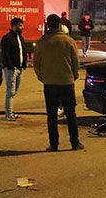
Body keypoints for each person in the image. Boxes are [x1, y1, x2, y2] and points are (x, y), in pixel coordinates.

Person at [34, 14, 84, 152]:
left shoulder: (42, 42)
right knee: (71, 114)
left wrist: (42, 77)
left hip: (49, 83)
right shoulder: (69, 41)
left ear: (48, 25)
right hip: (66, 82)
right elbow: (75, 62)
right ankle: (75, 143)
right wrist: (73, 76)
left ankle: (54, 144)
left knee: (51, 115)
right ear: (60, 24)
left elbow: (36, 63)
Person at [1, 18, 26, 120]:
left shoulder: (20, 37)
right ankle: (9, 113)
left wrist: (23, 64)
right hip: (11, 69)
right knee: (10, 91)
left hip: (19, 68)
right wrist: (10, 66)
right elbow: (5, 54)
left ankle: (10, 111)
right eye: (20, 25)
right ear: (14, 26)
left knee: (14, 90)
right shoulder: (7, 38)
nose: (22, 27)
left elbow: (22, 51)